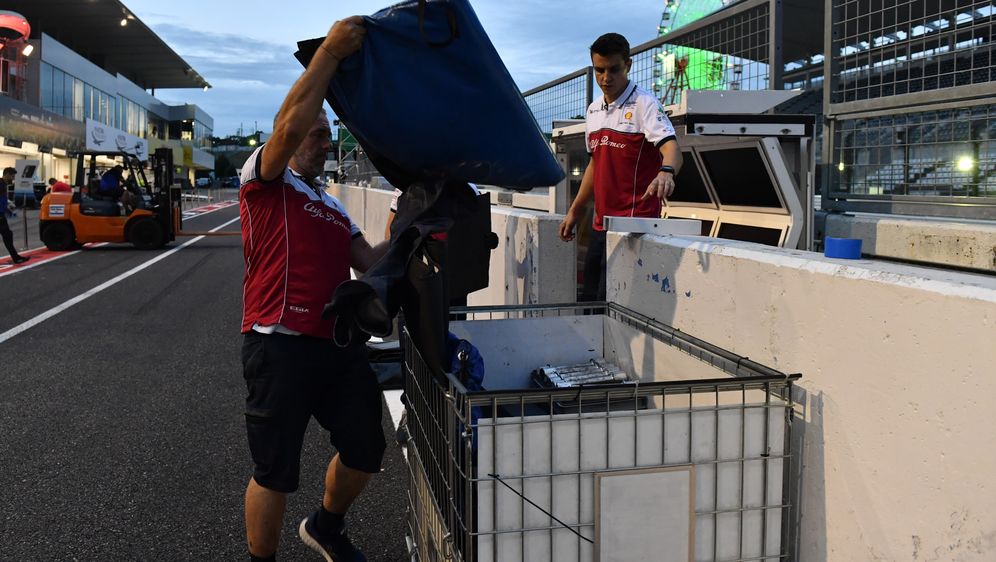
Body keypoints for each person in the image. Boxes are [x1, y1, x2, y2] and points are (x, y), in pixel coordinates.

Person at [239, 16, 388, 562]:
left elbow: (370, 263)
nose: (328, 142)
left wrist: (409, 228)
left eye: (329, 135)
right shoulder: (265, 178)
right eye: (321, 133)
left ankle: (325, 526)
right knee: (275, 472)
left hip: (334, 344)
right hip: (277, 341)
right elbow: (288, 125)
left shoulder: (331, 204)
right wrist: (328, 54)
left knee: (366, 448)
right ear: (296, 133)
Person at [558, 33, 683, 302]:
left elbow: (673, 149)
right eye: (599, 70)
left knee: (616, 308)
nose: (606, 78)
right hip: (600, 225)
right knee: (590, 302)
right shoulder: (593, 111)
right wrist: (574, 211)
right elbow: (596, 163)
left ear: (629, 65)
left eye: (613, 69)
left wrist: (667, 171)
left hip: (635, 227)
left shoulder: (645, 105)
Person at [0, 167, 29, 265]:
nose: (13, 178)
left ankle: (16, 257)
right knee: (7, 235)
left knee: (8, 235)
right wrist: (7, 211)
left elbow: (3, 201)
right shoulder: (1, 184)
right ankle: (16, 258)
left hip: (1, 214)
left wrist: (9, 210)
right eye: (12, 176)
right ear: (7, 174)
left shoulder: (3, 184)